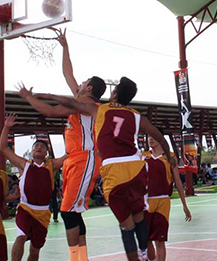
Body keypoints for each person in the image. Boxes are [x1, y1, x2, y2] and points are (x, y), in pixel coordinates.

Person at [42, 76, 174, 261]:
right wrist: (170, 157)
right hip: (135, 166)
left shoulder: (100, 109)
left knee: (125, 225)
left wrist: (46, 95)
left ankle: (133, 256)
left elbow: (68, 102)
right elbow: (159, 137)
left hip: (113, 169)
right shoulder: (137, 116)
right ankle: (144, 253)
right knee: (138, 216)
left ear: (113, 94)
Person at [17, 32, 107, 261]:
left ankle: (75, 257)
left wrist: (29, 97)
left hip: (84, 158)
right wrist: (65, 46)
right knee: (74, 211)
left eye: (85, 82)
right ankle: (81, 258)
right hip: (75, 159)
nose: (81, 82)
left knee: (67, 211)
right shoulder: (81, 99)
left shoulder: (85, 103)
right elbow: (68, 74)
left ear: (89, 89)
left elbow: (50, 110)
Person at [0, 114, 68, 261]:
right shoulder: (24, 164)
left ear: (46, 153)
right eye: (36, 146)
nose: (38, 147)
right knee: (21, 236)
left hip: (43, 213)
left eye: (42, 146)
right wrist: (6, 127)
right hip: (25, 208)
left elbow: (69, 155)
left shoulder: (52, 165)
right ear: (32, 151)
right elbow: (3, 148)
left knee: (35, 251)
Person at [144, 128, 192, 261]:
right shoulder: (143, 156)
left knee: (160, 241)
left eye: (153, 136)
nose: (150, 139)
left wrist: (184, 205)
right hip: (145, 202)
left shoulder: (170, 157)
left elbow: (177, 181)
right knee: (145, 240)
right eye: (148, 136)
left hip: (162, 202)